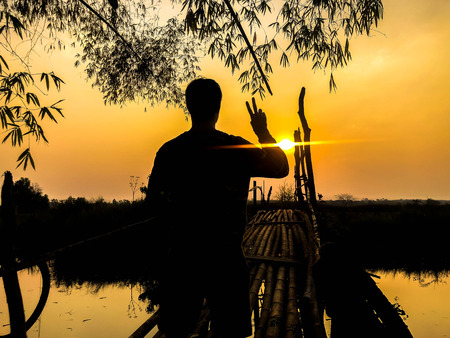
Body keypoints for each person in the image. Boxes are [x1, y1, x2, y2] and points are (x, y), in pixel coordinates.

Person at [146, 78, 289, 337]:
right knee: (230, 331)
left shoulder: (170, 152)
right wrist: (262, 132)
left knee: (176, 330)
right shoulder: (235, 148)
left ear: (188, 107)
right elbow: (281, 168)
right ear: (218, 108)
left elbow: (153, 206)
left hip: (182, 260)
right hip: (226, 260)